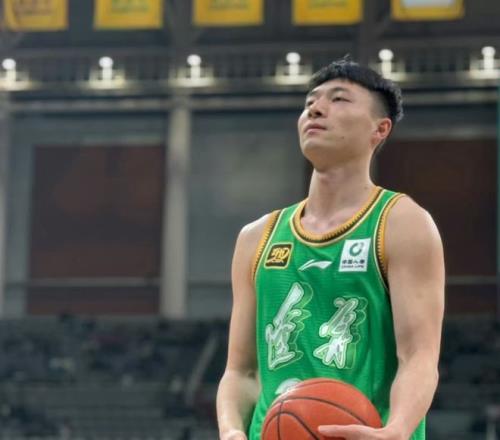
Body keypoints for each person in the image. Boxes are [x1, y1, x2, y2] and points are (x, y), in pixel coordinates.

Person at [216, 57, 445, 440]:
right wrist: (231, 431)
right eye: (310, 102)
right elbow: (241, 371)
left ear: (379, 129)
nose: (316, 109)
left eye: (339, 99)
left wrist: (398, 429)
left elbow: (419, 357)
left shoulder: (401, 223)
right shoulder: (257, 237)